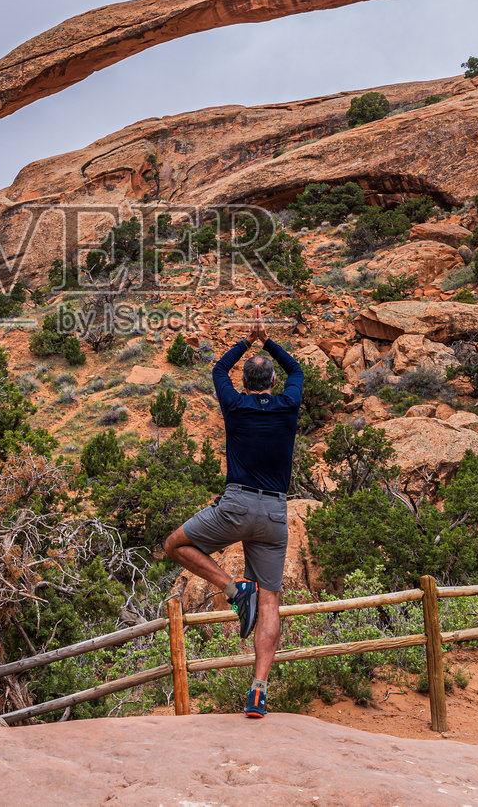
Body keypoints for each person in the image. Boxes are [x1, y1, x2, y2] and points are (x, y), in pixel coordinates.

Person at [163, 305, 303, 719]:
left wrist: (246, 339)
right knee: (272, 602)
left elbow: (218, 370)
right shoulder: (288, 404)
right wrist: (267, 341)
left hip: (237, 503)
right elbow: (296, 371)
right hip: (276, 512)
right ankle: (258, 692)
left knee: (175, 544)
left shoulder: (235, 405)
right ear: (273, 383)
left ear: (244, 383)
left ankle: (234, 589)